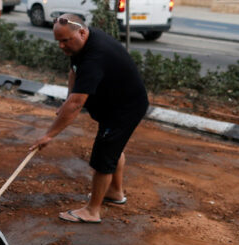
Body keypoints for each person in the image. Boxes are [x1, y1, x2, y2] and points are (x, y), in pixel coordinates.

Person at [30, 14, 150, 224]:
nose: (61, 46)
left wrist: (49, 135)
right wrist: (67, 99)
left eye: (65, 40)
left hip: (124, 109)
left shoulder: (96, 56)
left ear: (82, 32)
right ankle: (114, 192)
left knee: (103, 156)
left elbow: (77, 103)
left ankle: (92, 211)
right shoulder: (80, 45)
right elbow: (73, 72)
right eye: (58, 41)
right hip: (114, 104)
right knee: (113, 149)